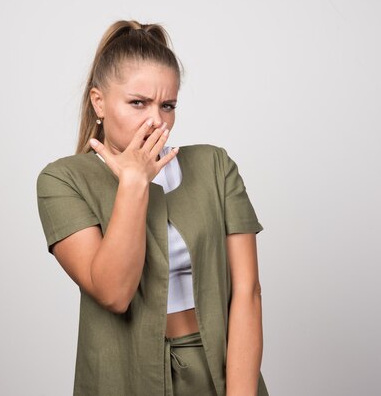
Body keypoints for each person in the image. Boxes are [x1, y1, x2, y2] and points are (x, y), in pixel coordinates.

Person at [36, 20, 269, 396]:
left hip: (220, 370)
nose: (156, 120)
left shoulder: (214, 167)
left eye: (168, 105)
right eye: (137, 102)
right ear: (99, 102)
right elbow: (114, 292)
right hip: (122, 374)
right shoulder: (63, 180)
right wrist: (133, 183)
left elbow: (247, 290)